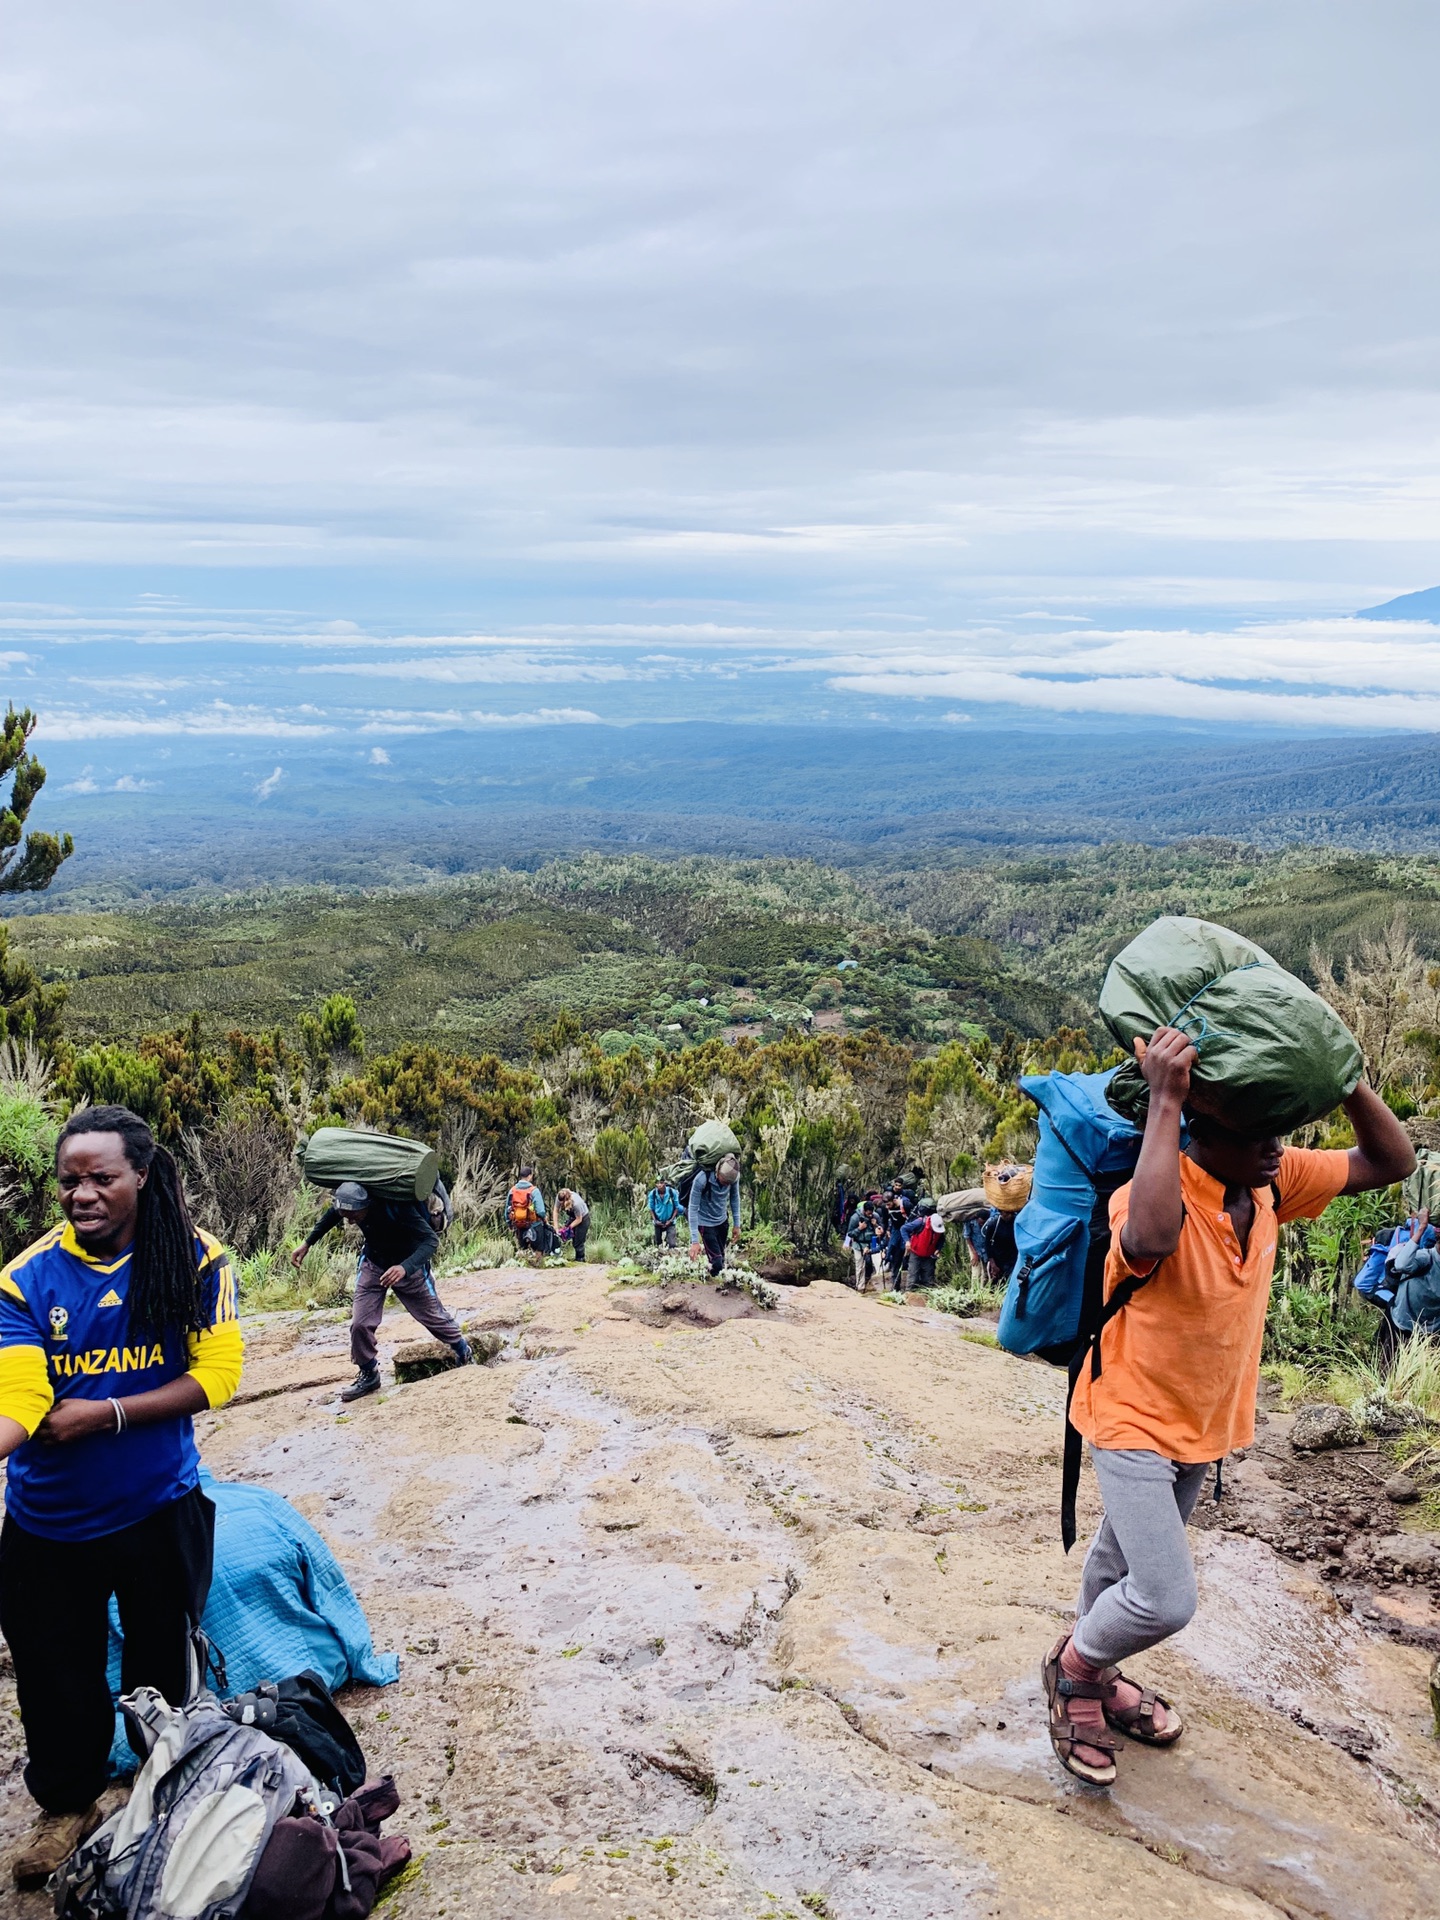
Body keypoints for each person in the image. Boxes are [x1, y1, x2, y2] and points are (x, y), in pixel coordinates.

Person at [1042, 1027, 1414, 1788]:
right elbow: (1146, 1236)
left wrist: (1342, 1078)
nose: (1275, 1147)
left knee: (1119, 1563)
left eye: (1280, 1132)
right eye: (1256, 1135)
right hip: (1130, 1416)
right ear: (1202, 1135)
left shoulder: (1272, 1182)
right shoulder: (1150, 1191)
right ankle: (1073, 1668)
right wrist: (1167, 1101)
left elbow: (1390, 1162)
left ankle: (1097, 1670)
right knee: (1165, 1596)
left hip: (1204, 1424)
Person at [0, 1105, 244, 1888]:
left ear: (141, 1174)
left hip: (158, 1511)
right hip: (49, 1524)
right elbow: (21, 1397)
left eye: (102, 1177)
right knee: (52, 1671)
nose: (83, 1193)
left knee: (160, 1668)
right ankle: (67, 1805)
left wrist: (106, 1414)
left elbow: (219, 1377)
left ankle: (157, 1791)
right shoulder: (25, 1277)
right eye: (69, 1180)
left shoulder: (197, 1261)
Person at [292, 1180, 470, 1403]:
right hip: (374, 1263)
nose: (349, 1220)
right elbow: (332, 1215)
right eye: (346, 1214)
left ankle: (463, 1351)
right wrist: (307, 1243)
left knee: (434, 1317)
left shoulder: (398, 1207)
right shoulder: (351, 1207)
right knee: (359, 1324)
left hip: (409, 1266)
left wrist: (404, 1268)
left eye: (353, 1215)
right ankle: (369, 1373)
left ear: (367, 1204)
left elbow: (430, 1241)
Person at [688, 1152, 742, 1276]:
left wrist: (737, 1225)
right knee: (717, 1262)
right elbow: (692, 1208)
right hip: (705, 1223)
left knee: (721, 1258)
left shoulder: (734, 1178)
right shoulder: (701, 1179)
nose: (725, 1186)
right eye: (723, 1182)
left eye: (728, 1184)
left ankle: (714, 1282)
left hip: (722, 1221)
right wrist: (695, 1241)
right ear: (717, 1171)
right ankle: (709, 1279)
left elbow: (735, 1198)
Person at [900, 1208, 946, 1292]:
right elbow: (903, 1229)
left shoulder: (939, 1228)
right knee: (912, 1278)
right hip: (915, 1253)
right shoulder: (920, 1223)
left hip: (929, 1255)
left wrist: (938, 1249)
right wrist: (907, 1241)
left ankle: (927, 1298)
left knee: (928, 1280)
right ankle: (908, 1296)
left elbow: (941, 1240)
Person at [506, 1166, 546, 1252]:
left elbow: (507, 1209)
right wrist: (543, 1219)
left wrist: (509, 1223)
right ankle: (538, 1262)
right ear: (530, 1176)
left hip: (518, 1225)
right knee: (537, 1251)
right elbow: (541, 1211)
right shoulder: (534, 1191)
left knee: (522, 1251)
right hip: (534, 1224)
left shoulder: (512, 1190)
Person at [555, 1187, 590, 1261]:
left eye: (562, 1203)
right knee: (565, 1236)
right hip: (573, 1217)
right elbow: (556, 1211)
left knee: (578, 1241)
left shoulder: (577, 1203)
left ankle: (580, 1259)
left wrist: (568, 1228)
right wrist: (556, 1228)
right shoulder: (559, 1198)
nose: (560, 1204)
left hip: (583, 1218)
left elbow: (579, 1219)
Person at [647, 1177, 681, 1248]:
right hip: (658, 1221)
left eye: (661, 1183)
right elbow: (651, 1208)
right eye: (657, 1183)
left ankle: (669, 1240)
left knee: (672, 1244)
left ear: (665, 1183)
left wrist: (671, 1220)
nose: (659, 1185)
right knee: (658, 1244)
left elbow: (677, 1207)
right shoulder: (652, 1194)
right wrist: (655, 1220)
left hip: (670, 1221)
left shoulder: (672, 1192)